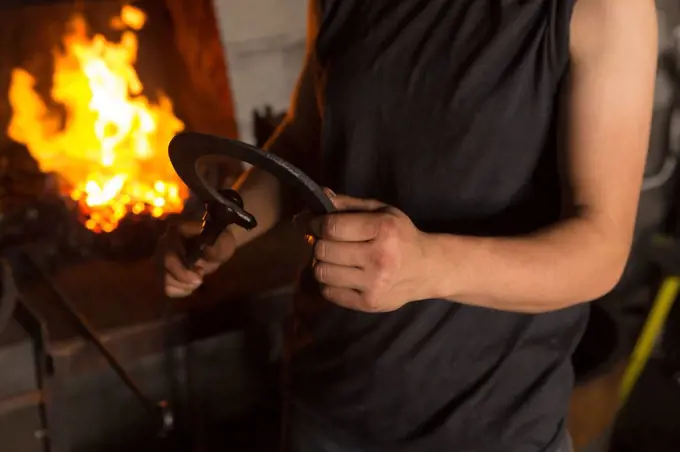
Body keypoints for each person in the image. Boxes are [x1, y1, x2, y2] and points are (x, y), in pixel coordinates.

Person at [163, 0, 657, 450]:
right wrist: (228, 223)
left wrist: (429, 266)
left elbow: (601, 248)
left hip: (489, 430)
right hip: (324, 408)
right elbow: (305, 140)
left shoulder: (605, 8)